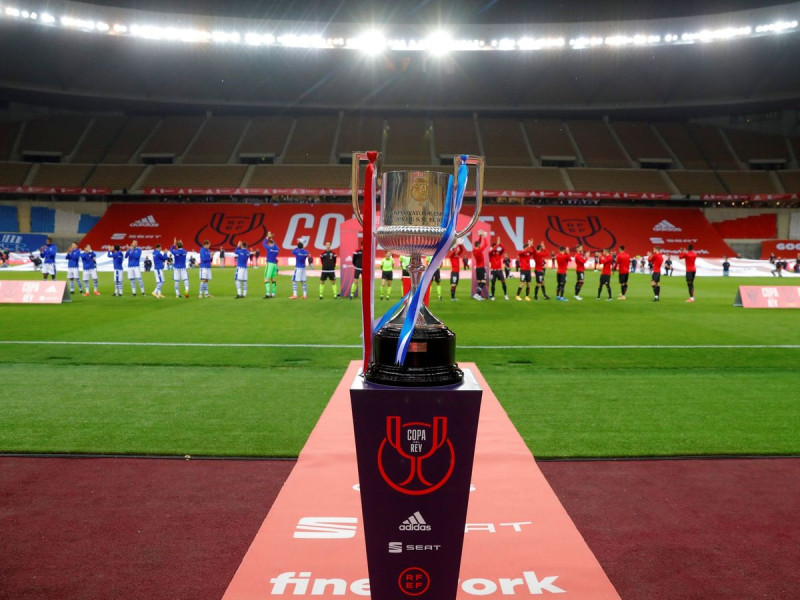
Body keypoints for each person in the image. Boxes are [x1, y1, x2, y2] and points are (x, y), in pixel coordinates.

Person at [488, 236, 509, 300]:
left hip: (499, 270)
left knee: (503, 282)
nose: (496, 248)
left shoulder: (499, 253)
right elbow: (492, 250)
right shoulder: (490, 253)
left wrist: (500, 243)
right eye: (495, 247)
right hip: (493, 271)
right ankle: (493, 296)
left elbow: (504, 249)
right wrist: (497, 245)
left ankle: (505, 295)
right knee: (493, 283)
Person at [471, 230, 489, 300]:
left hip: (477, 268)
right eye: (479, 244)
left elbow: (479, 243)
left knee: (479, 282)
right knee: (483, 282)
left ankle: (478, 295)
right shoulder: (479, 250)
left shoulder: (474, 250)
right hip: (481, 268)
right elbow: (486, 244)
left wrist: (480, 236)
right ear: (478, 245)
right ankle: (477, 294)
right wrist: (484, 236)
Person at [262, 233, 280, 299]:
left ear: (269, 244)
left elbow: (263, 243)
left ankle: (267, 293)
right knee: (273, 279)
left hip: (269, 264)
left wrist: (267, 237)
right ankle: (273, 293)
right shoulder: (277, 249)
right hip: (274, 265)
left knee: (266, 278)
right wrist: (271, 238)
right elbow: (274, 244)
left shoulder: (269, 248)